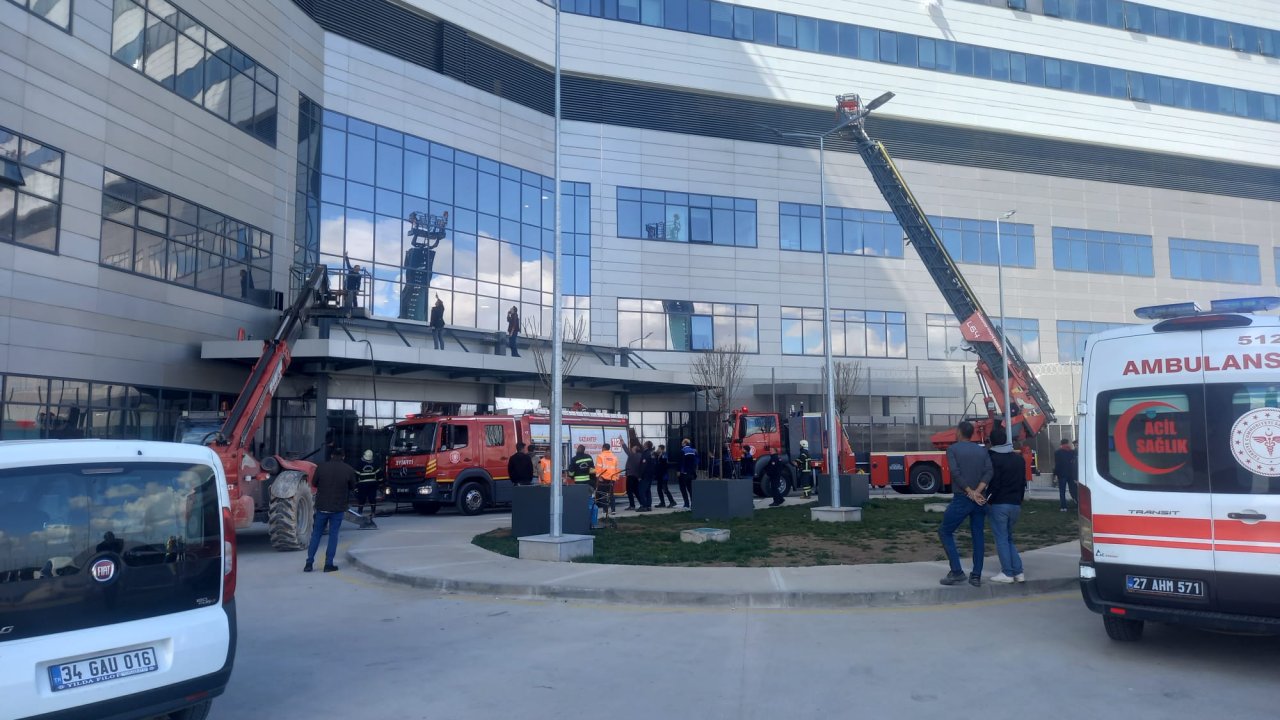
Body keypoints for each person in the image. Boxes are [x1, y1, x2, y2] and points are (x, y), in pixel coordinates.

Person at [938, 421, 993, 587]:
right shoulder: (982, 450)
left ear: (959, 432)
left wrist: (970, 492)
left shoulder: (952, 449)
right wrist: (978, 491)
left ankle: (957, 571)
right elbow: (989, 471)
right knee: (978, 536)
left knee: (945, 531)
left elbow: (955, 473)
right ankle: (976, 575)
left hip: (963, 498)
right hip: (980, 499)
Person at [305, 448, 358, 573]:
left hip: (322, 507)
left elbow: (314, 483)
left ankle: (309, 563)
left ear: (331, 455)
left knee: (316, 535)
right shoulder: (348, 469)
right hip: (338, 508)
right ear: (343, 457)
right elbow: (353, 486)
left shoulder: (321, 467)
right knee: (333, 535)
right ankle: (328, 564)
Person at [986, 426, 1027, 584]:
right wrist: (1019, 500)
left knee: (1001, 539)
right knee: (1009, 538)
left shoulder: (993, 459)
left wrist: (988, 499)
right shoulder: (1018, 459)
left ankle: (1007, 573)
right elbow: (1022, 483)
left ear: (991, 442)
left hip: (999, 504)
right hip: (1015, 504)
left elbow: (995, 484)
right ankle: (1018, 572)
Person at [570, 444, 597, 527]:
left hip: (579, 485)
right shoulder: (589, 457)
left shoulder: (574, 459)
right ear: (584, 450)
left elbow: (571, 473)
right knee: (590, 502)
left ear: (578, 449)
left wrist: (572, 476)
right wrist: (593, 482)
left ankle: (581, 522)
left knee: (579, 503)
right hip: (589, 484)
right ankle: (591, 523)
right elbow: (592, 471)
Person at [354, 449, 382, 522]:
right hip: (372, 483)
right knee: (372, 497)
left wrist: (355, 485)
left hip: (362, 484)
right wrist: (380, 482)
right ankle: (373, 512)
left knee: (361, 498)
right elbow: (379, 474)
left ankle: (359, 512)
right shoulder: (375, 463)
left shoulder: (359, 463)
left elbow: (356, 474)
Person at [1054, 438, 1078, 512]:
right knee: (1073, 490)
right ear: (1068, 443)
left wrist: (1055, 474)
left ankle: (1063, 507)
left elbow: (1057, 465)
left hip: (1062, 474)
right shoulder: (1072, 452)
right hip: (1071, 474)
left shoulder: (1057, 452)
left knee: (1062, 491)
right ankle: (1078, 504)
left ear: (1061, 444)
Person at [595, 443, 620, 513]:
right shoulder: (614, 457)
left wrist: (598, 477)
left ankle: (605, 510)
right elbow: (617, 468)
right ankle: (613, 510)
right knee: (611, 494)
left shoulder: (600, 456)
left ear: (603, 448)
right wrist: (616, 477)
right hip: (612, 478)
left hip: (603, 478)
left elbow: (598, 468)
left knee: (603, 494)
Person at [677, 438, 698, 509]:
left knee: (683, 488)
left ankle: (686, 504)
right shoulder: (694, 451)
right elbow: (696, 461)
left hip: (684, 473)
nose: (681, 443)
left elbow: (680, 462)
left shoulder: (682, 451)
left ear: (685, 443)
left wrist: (679, 471)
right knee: (690, 489)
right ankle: (693, 504)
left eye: (682, 442)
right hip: (691, 473)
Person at [654, 444, 675, 508]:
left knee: (665, 489)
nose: (657, 449)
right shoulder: (658, 455)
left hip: (664, 475)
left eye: (659, 448)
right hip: (660, 475)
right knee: (659, 489)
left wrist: (660, 456)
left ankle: (672, 502)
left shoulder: (664, 455)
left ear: (661, 449)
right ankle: (662, 502)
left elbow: (664, 463)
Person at [624, 443, 643, 511]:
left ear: (635, 450)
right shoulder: (640, 456)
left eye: (633, 448)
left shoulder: (632, 455)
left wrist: (622, 441)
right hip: (636, 476)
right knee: (636, 491)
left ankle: (632, 505)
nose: (631, 448)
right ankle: (642, 503)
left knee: (629, 491)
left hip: (630, 475)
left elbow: (626, 450)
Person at [638, 441, 655, 511]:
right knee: (648, 491)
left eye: (644, 444)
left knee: (641, 491)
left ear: (646, 446)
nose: (643, 445)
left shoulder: (646, 454)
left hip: (645, 475)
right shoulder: (651, 453)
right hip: (650, 475)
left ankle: (644, 506)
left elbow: (643, 466)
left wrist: (640, 476)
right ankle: (649, 506)